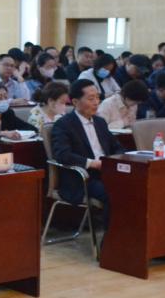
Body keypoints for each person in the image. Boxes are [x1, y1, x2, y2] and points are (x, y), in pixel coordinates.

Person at [49, 79, 124, 227]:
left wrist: (114, 161)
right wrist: (92, 163)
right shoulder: (64, 124)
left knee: (135, 186)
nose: (96, 102)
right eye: (91, 99)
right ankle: (111, 237)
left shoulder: (100, 122)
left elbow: (118, 147)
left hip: (106, 172)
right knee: (115, 193)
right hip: (82, 177)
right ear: (75, 102)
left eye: (97, 98)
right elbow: (63, 155)